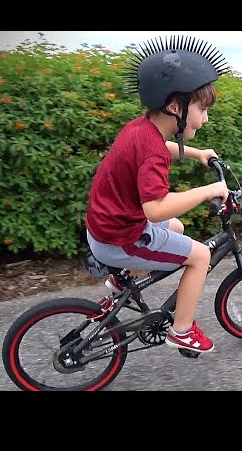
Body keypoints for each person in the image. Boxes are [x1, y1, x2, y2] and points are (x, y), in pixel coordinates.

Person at [85, 35, 231, 353]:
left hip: (105, 226)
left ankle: (121, 281)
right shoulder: (151, 150)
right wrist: (208, 190)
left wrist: (197, 153)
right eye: (202, 109)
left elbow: (161, 148)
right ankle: (182, 330)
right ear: (175, 107)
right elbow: (155, 208)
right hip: (121, 236)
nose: (205, 118)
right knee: (200, 256)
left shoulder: (142, 128)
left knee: (176, 228)